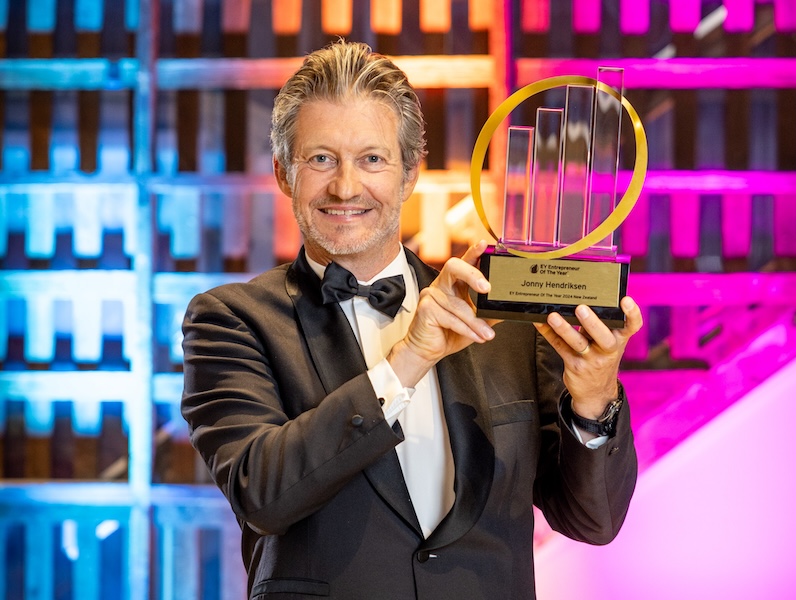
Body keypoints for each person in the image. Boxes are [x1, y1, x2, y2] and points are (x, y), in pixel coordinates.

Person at [181, 40, 641, 600]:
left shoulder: (507, 319)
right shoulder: (230, 320)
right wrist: (409, 359)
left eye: (372, 159)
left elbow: (593, 520)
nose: (346, 186)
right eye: (320, 159)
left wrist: (594, 401)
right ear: (283, 173)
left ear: (409, 174)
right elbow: (263, 494)